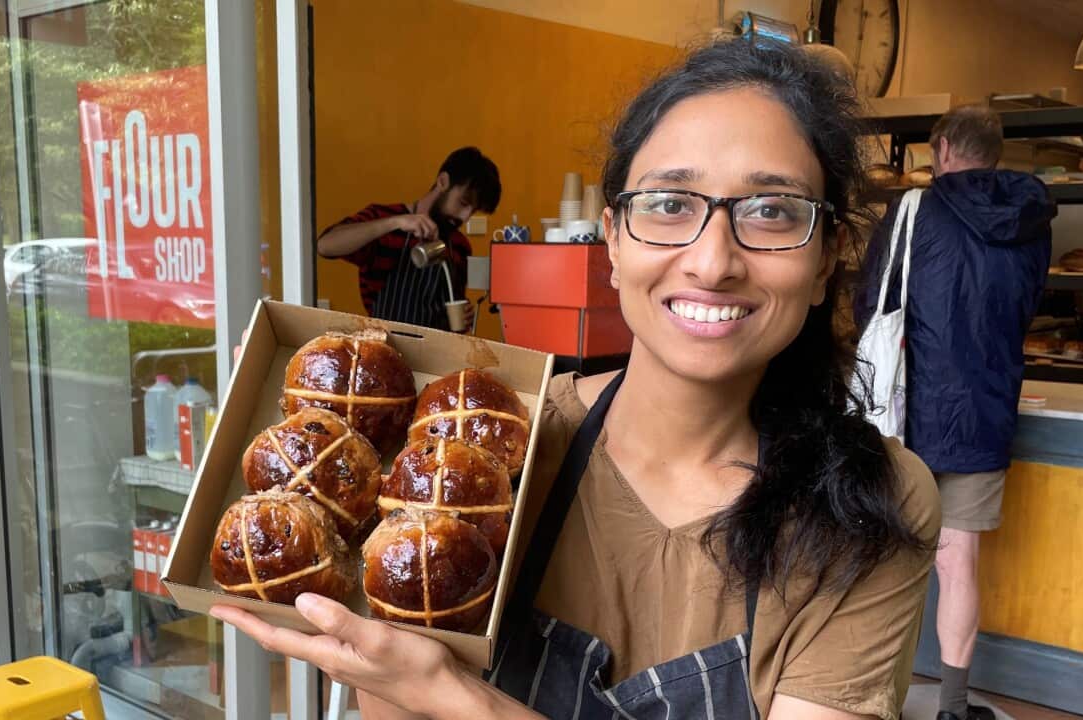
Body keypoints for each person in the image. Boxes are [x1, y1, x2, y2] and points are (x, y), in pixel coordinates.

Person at [213, 39, 939, 719]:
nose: (714, 260)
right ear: (613, 242)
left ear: (826, 258)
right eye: (669, 203)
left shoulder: (872, 507)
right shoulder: (484, 454)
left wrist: (460, 699)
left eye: (773, 210)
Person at [856, 105, 1055, 720]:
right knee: (958, 561)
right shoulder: (1034, 218)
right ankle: (952, 707)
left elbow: (873, 303)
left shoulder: (913, 211)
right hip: (986, 409)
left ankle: (872, 699)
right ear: (997, 151)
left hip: (906, 412)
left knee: (889, 556)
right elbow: (1026, 304)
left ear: (941, 147)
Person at [317, 146, 501, 331]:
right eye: (463, 203)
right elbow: (325, 245)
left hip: (435, 352)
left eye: (473, 210)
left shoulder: (459, 245)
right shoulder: (385, 220)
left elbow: (453, 308)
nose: (465, 217)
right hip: (387, 344)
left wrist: (462, 317)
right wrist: (393, 223)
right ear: (443, 181)